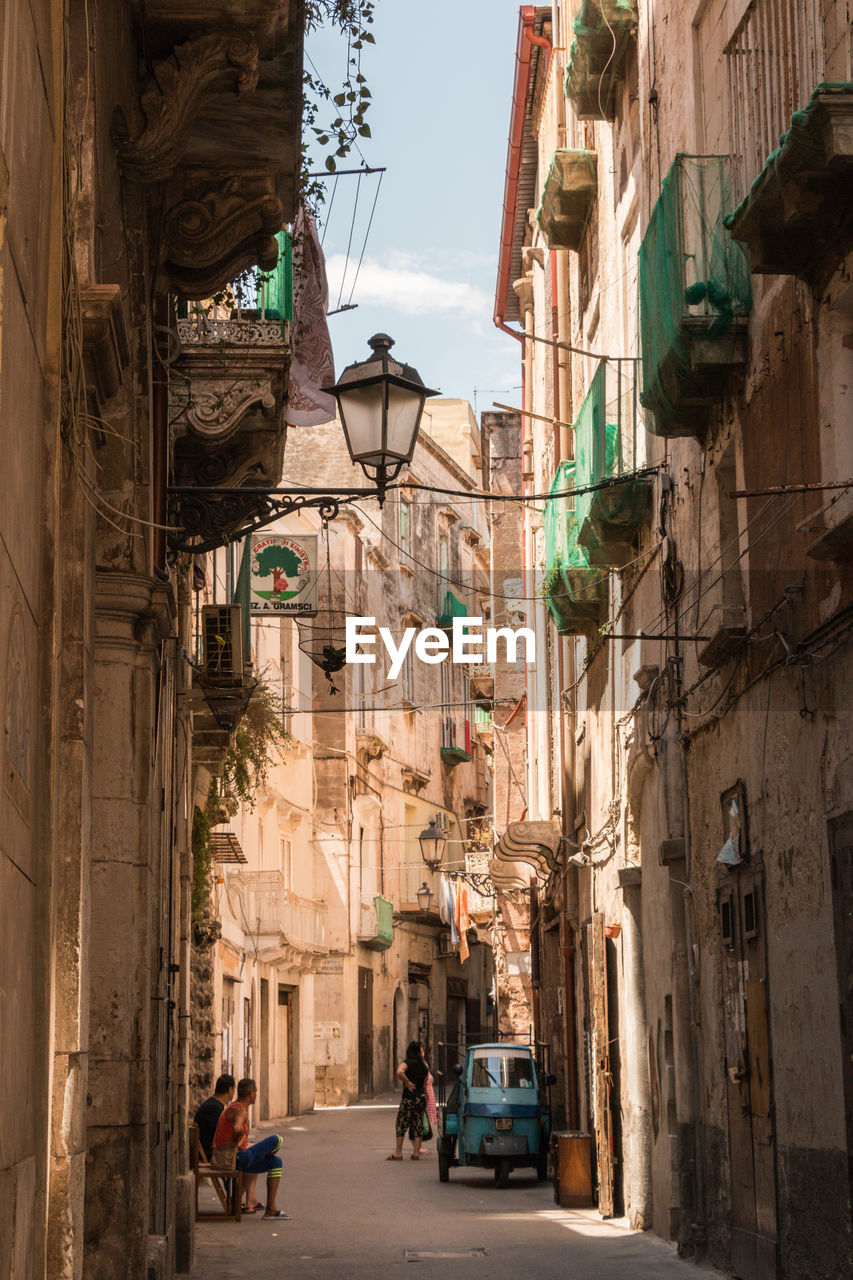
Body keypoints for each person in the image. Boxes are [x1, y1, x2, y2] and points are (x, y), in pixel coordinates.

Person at [212, 1077, 288, 1219]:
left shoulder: (235, 1107)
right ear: (251, 1093)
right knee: (277, 1140)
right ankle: (239, 1200)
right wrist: (233, 1144)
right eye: (256, 1092)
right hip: (234, 1159)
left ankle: (271, 1210)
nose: (256, 1095)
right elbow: (237, 1129)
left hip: (234, 1157)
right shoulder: (240, 1110)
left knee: (276, 1162)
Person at [388, 1041, 428, 1160]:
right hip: (420, 1098)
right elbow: (425, 1085)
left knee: (402, 1124)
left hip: (408, 1099)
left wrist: (407, 1082)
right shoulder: (424, 1066)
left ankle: (398, 1153)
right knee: (418, 1125)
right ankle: (416, 1153)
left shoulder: (406, 1063)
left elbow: (399, 1072)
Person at [193, 1073, 235, 1162]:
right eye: (234, 1089)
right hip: (210, 1155)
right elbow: (222, 1134)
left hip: (211, 1152)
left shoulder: (213, 1104)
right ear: (230, 1090)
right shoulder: (213, 1108)